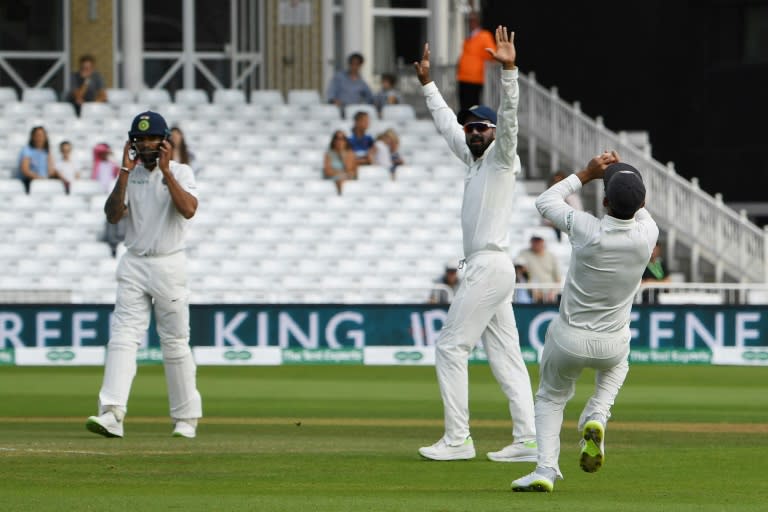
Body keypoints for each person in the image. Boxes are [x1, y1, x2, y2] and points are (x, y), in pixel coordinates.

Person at [413, 27, 537, 463]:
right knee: (507, 357)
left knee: (450, 346)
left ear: (493, 131)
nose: (473, 132)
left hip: (489, 265)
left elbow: (512, 117)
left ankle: (458, 439)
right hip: (490, 268)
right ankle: (527, 441)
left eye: (481, 127)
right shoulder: (472, 160)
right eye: (471, 127)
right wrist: (428, 84)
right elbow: (447, 123)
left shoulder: (503, 158)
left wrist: (508, 70)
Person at [511, 153, 659, 492]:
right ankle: (596, 416)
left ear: (605, 200)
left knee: (550, 398)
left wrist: (588, 173)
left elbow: (546, 200)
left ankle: (545, 470)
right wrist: (627, 177)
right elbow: (639, 206)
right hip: (611, 343)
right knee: (618, 366)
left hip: (568, 339)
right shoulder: (647, 235)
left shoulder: (586, 227)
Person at [85, 111, 202, 439]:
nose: (146, 144)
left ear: (165, 142)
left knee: (175, 342)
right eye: (140, 139)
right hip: (134, 261)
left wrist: (166, 171)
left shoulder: (181, 171)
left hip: (169, 263)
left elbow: (189, 209)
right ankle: (111, 413)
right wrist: (124, 170)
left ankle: (185, 419)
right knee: (122, 337)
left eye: (152, 139)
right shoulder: (129, 174)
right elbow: (112, 216)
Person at [456, 11, 496, 112]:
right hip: (463, 77)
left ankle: (472, 126)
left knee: (473, 108)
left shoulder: (484, 36)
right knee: (463, 108)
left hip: (475, 79)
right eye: (469, 20)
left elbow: (492, 53)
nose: (470, 23)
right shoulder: (469, 37)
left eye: (473, 20)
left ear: (478, 21)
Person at [16, 126, 62, 193]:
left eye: (42, 135)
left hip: (44, 182)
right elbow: (25, 170)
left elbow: (51, 171)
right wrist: (39, 178)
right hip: (30, 182)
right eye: (37, 135)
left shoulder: (46, 151)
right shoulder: (27, 150)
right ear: (33, 137)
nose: (40, 138)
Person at [516, 236, 561, 303]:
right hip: (530, 295)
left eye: (538, 241)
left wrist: (553, 292)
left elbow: (558, 279)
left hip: (550, 296)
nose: (536, 244)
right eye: (534, 241)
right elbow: (518, 270)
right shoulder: (524, 254)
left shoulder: (551, 256)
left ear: (543, 242)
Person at [545, 171, 583, 241]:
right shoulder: (546, 198)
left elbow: (578, 215)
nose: (557, 184)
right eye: (555, 182)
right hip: (552, 230)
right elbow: (545, 220)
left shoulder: (573, 198)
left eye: (560, 181)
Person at [323, 130, 358, 195]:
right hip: (335, 178)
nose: (340, 141)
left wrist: (343, 156)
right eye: (337, 138)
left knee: (343, 180)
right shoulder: (328, 154)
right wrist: (341, 174)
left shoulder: (351, 154)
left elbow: (352, 171)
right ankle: (340, 196)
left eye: (342, 139)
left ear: (346, 141)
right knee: (340, 180)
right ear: (333, 141)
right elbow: (327, 171)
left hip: (347, 177)